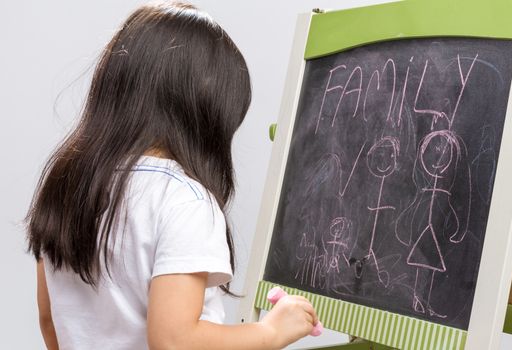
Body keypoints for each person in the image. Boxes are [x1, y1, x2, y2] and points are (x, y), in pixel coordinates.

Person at [25, 2, 318, 349]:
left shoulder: (68, 186)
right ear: (206, 113)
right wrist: (270, 332)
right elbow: (175, 341)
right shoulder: (184, 201)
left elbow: (50, 319)